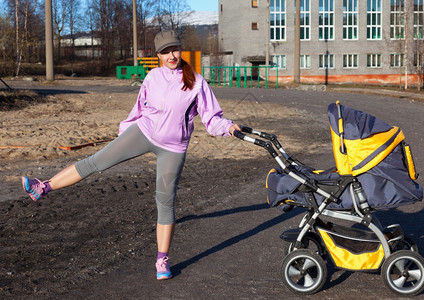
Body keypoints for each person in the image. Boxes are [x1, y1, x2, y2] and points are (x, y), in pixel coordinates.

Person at [21, 30, 241, 280]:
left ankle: (162, 260)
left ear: (180, 49)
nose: (172, 55)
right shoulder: (152, 77)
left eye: (175, 49)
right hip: (143, 133)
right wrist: (123, 135)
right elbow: (138, 109)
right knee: (96, 162)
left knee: (165, 202)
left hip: (173, 148)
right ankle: (43, 187)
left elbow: (212, 118)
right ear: (157, 55)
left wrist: (229, 127)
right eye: (165, 51)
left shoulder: (196, 82)